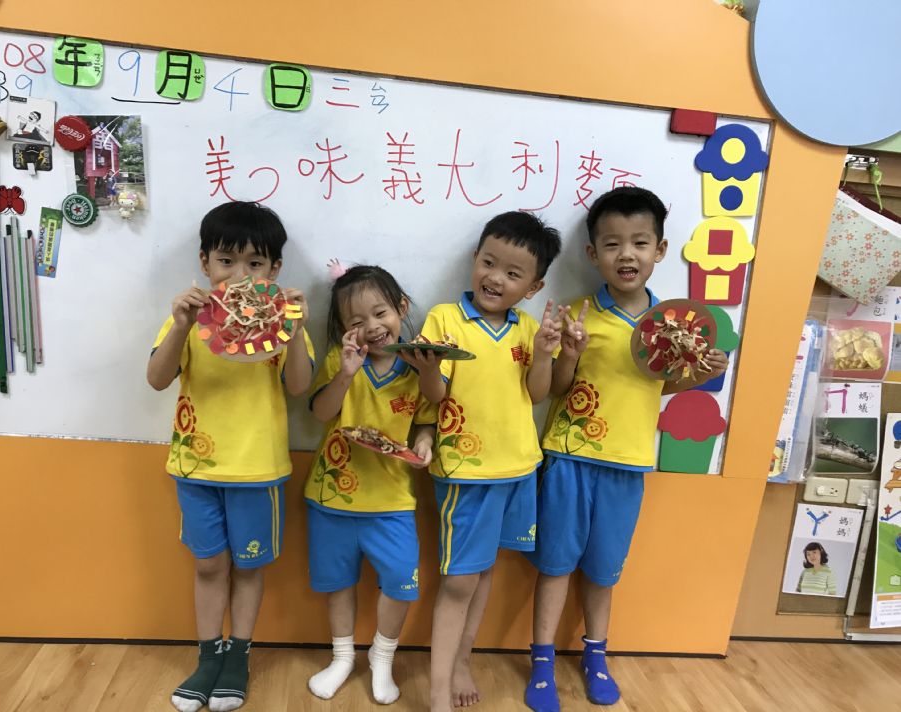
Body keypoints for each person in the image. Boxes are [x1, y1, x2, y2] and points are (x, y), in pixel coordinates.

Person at [524, 186, 728, 710]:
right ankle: (541, 662)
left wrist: (701, 371)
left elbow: (664, 385)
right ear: (593, 254)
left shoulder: (672, 325)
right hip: (569, 457)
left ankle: (596, 656)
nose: (627, 254)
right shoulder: (577, 313)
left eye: (640, 242)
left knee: (603, 570)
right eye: (612, 244)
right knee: (555, 565)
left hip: (628, 464)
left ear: (660, 250)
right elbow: (558, 388)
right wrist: (569, 354)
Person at [147, 201, 314, 712]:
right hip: (195, 467)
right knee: (208, 565)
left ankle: (238, 655)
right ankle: (207, 658)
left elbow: (299, 386)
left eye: (255, 264)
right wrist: (181, 325)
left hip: (258, 469)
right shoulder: (190, 319)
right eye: (226, 261)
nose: (239, 275)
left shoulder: (278, 321)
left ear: (274, 270)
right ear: (205, 262)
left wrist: (296, 329)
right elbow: (157, 379)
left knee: (248, 566)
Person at [410, 211, 563, 711]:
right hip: (465, 473)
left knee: (483, 571)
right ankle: (437, 691)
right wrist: (428, 369)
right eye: (489, 262)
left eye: (513, 273)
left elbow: (536, 395)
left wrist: (545, 354)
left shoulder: (529, 328)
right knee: (459, 580)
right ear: (475, 258)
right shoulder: (444, 319)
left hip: (518, 469)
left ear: (534, 287)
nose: (495, 277)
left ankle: (461, 661)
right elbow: (434, 395)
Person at [305, 264, 437, 705]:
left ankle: (382, 658)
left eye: (380, 313)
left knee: (400, 580)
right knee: (337, 582)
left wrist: (423, 442)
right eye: (357, 321)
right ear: (345, 329)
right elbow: (321, 414)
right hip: (332, 497)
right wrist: (346, 373)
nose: (373, 327)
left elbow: (427, 417)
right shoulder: (338, 360)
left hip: (392, 500)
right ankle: (342, 657)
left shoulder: (416, 367)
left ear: (401, 308)